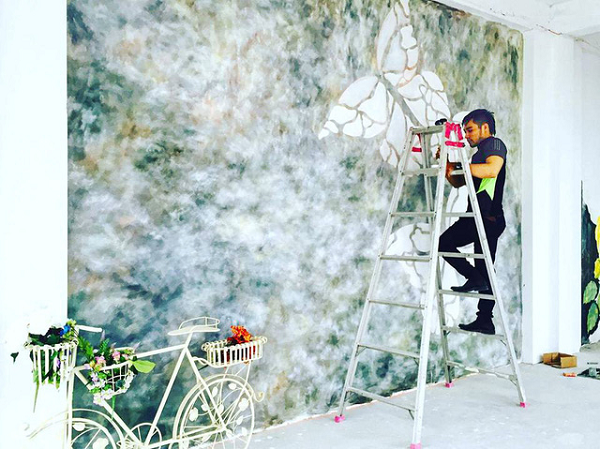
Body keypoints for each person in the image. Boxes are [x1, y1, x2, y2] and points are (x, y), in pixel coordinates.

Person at [438, 109, 507, 335]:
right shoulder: (477, 155)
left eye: (470, 130)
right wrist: (447, 164)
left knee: (449, 246)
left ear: (485, 127)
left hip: (488, 219)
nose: (466, 135)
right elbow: (458, 182)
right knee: (483, 270)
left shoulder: (494, 144)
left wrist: (460, 167)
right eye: (465, 131)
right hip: (477, 217)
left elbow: (492, 170)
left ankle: (475, 280)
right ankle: (485, 319)